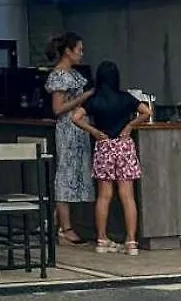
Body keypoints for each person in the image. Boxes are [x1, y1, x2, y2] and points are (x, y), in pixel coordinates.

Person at [73, 60, 153, 255]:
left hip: (104, 145)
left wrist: (94, 131)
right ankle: (131, 242)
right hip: (124, 146)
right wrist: (130, 126)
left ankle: (101, 240)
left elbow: (75, 118)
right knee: (127, 195)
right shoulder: (126, 98)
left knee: (104, 195)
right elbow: (146, 112)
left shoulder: (94, 100)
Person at [44, 32, 92, 245]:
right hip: (68, 129)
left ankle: (54, 221)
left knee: (75, 175)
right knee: (65, 176)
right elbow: (58, 108)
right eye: (79, 50)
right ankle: (66, 227)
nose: (81, 54)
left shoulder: (74, 74)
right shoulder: (59, 75)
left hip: (80, 128)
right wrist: (84, 97)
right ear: (67, 51)